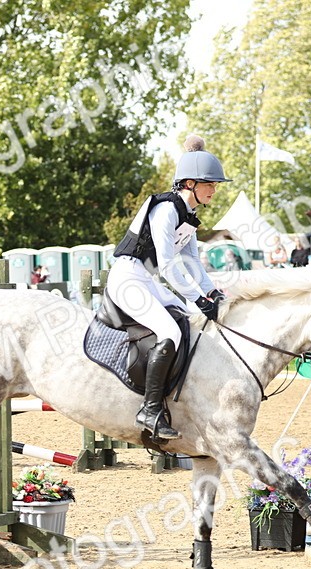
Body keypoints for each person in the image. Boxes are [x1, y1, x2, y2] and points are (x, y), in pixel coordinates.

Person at [107, 133, 230, 440]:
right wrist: (195, 297)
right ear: (190, 183)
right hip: (127, 278)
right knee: (171, 331)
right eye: (210, 184)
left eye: (215, 184)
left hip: (145, 280)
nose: (214, 190)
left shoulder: (188, 217)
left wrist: (211, 292)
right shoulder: (166, 210)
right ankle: (149, 409)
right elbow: (168, 264)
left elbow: (193, 264)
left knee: (189, 322)